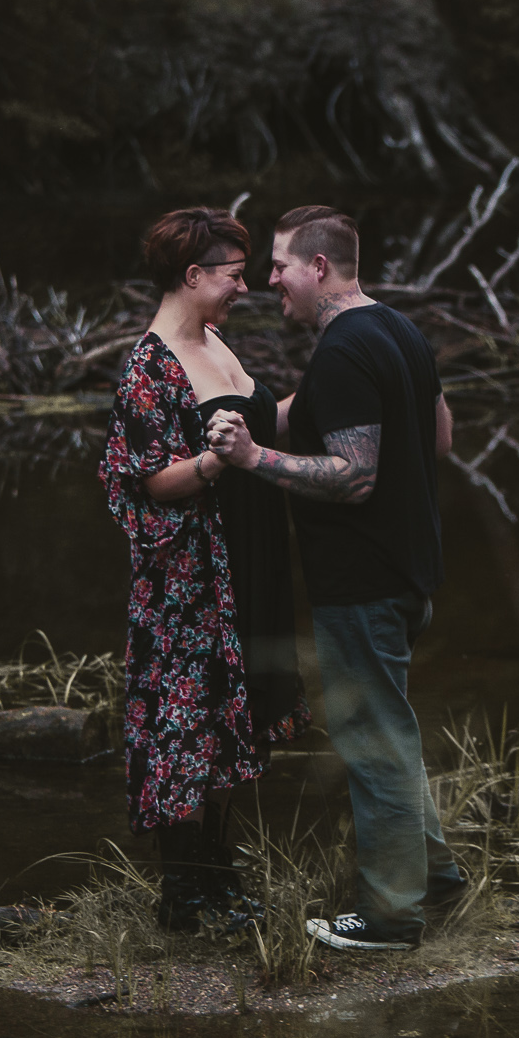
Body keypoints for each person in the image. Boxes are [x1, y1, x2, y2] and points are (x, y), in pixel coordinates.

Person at [205, 205, 463, 952]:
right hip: (409, 573)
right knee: (392, 729)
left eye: (282, 263)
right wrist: (256, 418)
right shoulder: (397, 330)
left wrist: (254, 460)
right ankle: (437, 880)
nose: (270, 278)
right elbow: (438, 432)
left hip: (363, 582)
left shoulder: (344, 349)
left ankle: (389, 919)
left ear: (319, 267)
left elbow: (354, 476)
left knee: (371, 741)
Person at [98, 206, 309, 933]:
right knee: (186, 719)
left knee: (231, 710)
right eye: (231, 274)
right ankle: (183, 890)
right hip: (190, 575)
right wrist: (220, 459)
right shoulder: (149, 367)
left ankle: (219, 876)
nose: (243, 287)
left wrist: (330, 387)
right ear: (193, 276)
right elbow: (150, 480)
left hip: (244, 552)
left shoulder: (216, 341)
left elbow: (257, 419)